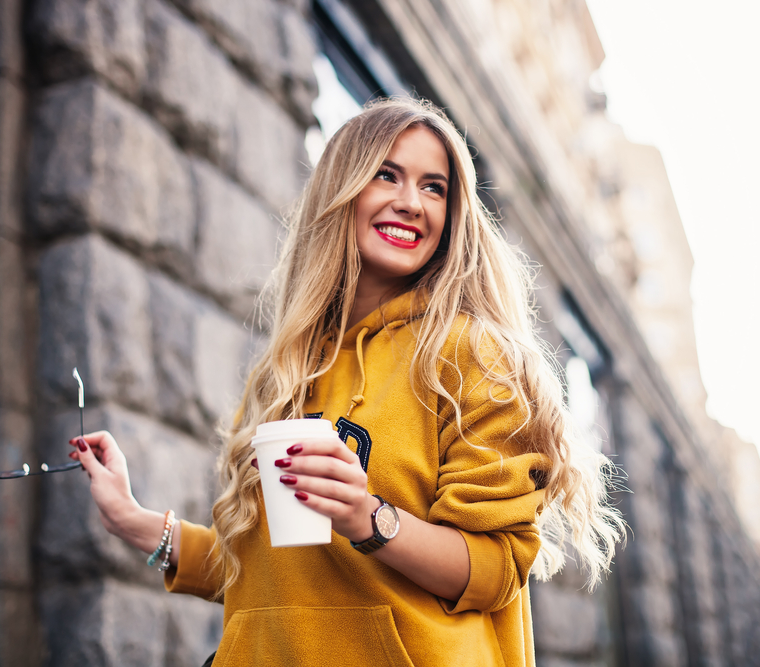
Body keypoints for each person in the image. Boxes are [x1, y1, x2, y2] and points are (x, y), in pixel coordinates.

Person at [68, 98, 624, 667]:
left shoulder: (470, 355)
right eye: (387, 174)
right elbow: (274, 576)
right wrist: (138, 523)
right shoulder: (288, 371)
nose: (411, 202)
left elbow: (493, 570)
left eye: (434, 187)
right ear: (342, 190)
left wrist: (368, 518)